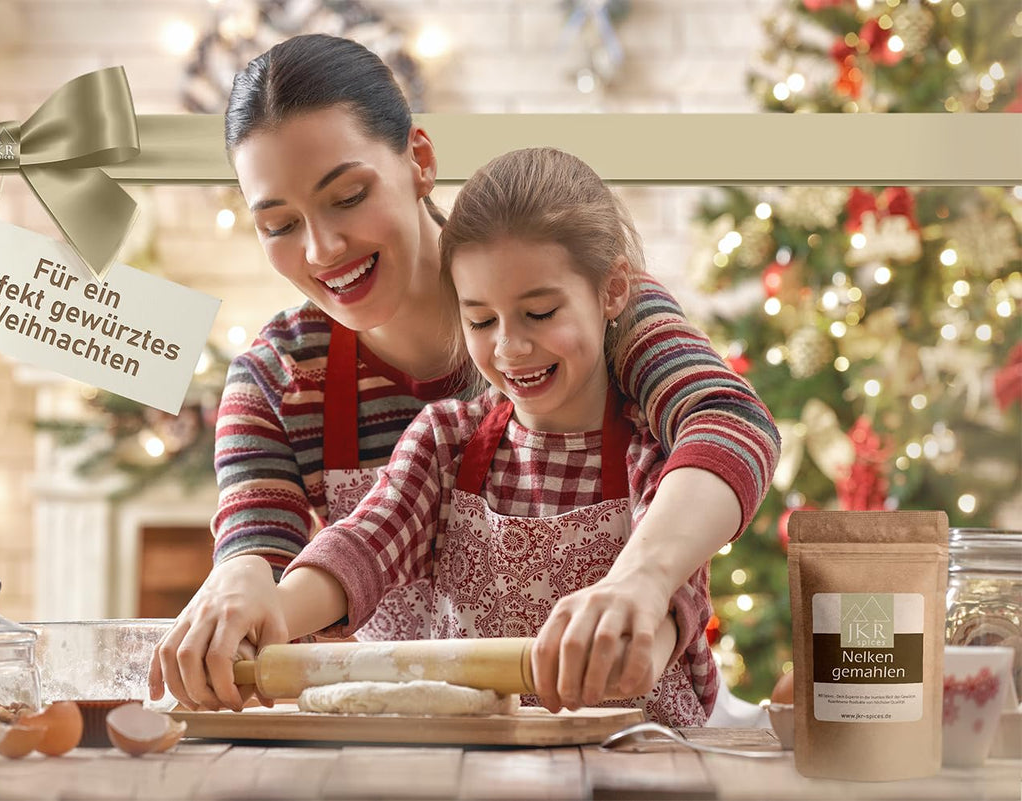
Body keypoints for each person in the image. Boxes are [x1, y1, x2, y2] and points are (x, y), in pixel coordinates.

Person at [148, 34, 780, 714]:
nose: (322, 248)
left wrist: (640, 582)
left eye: (349, 195)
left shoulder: (576, 292)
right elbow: (272, 559)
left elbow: (728, 423)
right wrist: (239, 582)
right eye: (278, 224)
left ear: (419, 161)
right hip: (422, 743)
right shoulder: (277, 378)